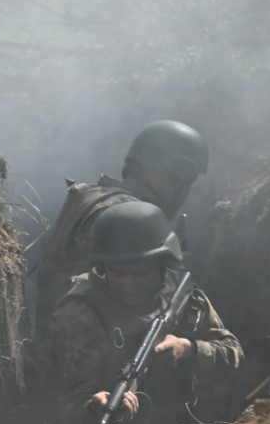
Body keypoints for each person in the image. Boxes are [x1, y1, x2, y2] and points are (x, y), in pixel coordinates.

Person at [49, 201, 242, 424]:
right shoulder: (81, 314)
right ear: (102, 268)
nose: (128, 284)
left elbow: (233, 352)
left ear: (163, 265)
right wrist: (93, 408)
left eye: (141, 274)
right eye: (117, 273)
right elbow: (61, 405)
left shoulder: (179, 295)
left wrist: (188, 349)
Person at [31, 119, 211, 337]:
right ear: (168, 176)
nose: (185, 194)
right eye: (187, 182)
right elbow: (129, 288)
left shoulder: (101, 197)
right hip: (77, 348)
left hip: (61, 340)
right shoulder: (124, 214)